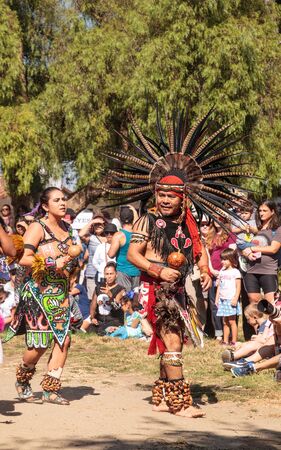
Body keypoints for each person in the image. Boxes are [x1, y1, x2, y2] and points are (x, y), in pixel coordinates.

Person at [102, 107, 252, 418]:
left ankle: (159, 395)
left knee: (170, 340)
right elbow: (132, 255)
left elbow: (197, 250)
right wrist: (157, 269)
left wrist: (205, 269)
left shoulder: (189, 224)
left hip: (178, 291)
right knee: (173, 343)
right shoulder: (147, 221)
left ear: (182, 198)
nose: (165, 200)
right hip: (157, 291)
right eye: (160, 195)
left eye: (171, 196)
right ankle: (180, 402)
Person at [3, 187, 79, 404]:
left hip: (61, 292)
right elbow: (23, 258)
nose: (62, 203)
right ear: (45, 206)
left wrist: (73, 262)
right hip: (37, 292)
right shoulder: (38, 227)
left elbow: (71, 260)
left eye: (64, 199)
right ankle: (24, 375)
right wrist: (52, 263)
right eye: (57, 200)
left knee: (64, 340)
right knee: (39, 344)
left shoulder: (69, 229)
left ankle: (50, 389)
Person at [242, 200, 281, 305]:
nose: (261, 213)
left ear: (272, 212)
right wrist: (247, 253)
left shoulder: (277, 229)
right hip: (251, 270)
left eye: (265, 210)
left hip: (268, 271)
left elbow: (273, 249)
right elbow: (246, 248)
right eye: (260, 210)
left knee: (270, 305)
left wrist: (253, 249)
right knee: (254, 302)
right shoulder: (257, 230)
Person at [222, 303, 274, 369]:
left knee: (252, 344)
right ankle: (234, 358)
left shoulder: (263, 325)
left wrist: (255, 339)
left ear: (255, 317)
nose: (247, 321)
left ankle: (233, 357)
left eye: (248, 319)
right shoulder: (264, 325)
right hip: (266, 349)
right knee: (249, 344)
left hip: (269, 350)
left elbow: (263, 340)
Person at [87, 262, 125, 335]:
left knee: (102, 330)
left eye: (111, 274)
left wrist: (110, 295)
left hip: (114, 320)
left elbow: (117, 307)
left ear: (116, 275)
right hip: (100, 320)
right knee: (90, 329)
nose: (109, 276)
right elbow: (93, 304)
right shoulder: (99, 288)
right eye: (107, 274)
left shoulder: (121, 289)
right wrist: (92, 318)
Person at [108, 206, 140, 292]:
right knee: (136, 301)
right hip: (137, 271)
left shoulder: (119, 235)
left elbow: (111, 254)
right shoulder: (138, 234)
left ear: (120, 219)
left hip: (123, 272)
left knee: (124, 300)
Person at [215, 248, 242, 346]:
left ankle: (234, 341)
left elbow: (238, 287)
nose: (222, 262)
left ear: (231, 259)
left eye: (225, 259)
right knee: (225, 322)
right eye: (222, 259)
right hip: (222, 300)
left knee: (232, 321)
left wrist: (235, 298)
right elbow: (219, 287)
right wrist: (217, 298)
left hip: (231, 299)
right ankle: (225, 341)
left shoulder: (235, 272)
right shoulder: (222, 272)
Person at [79, 212, 107, 300]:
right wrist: (92, 222)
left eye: (100, 224)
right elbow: (80, 234)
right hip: (92, 274)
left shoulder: (110, 238)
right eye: (96, 224)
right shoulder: (90, 238)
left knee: (105, 301)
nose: (98, 226)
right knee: (93, 301)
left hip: (107, 275)